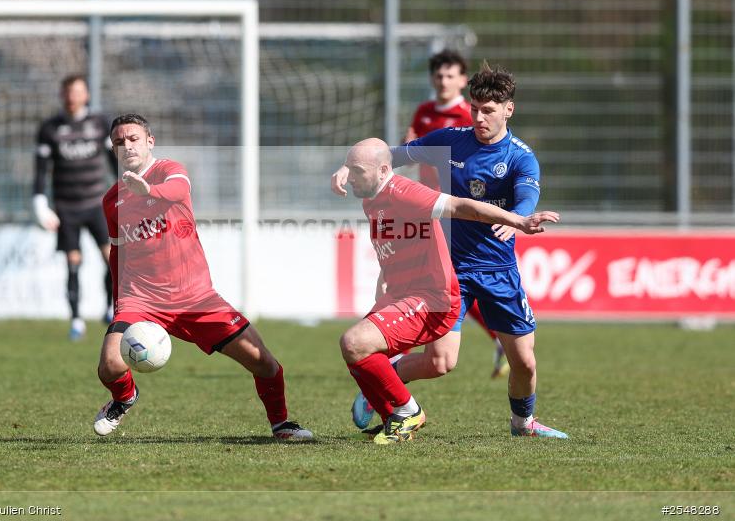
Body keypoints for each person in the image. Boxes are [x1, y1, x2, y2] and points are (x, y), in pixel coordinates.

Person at [332, 62, 569, 439]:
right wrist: (350, 166)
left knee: (524, 361)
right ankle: (378, 388)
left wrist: (518, 219)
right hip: (449, 272)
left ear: (508, 109)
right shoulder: (451, 140)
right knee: (441, 362)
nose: (478, 117)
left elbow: (527, 196)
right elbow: (395, 155)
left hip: (497, 270)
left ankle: (523, 424)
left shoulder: (521, 156)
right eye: (474, 108)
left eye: (488, 110)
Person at [92, 113, 313, 441]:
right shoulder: (112, 200)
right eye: (119, 142)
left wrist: (148, 188)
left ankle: (281, 425)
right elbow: (118, 254)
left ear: (149, 141)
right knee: (110, 365)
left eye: (134, 139)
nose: (127, 146)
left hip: (195, 297)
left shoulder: (169, 171)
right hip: (142, 300)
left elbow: (178, 189)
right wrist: (119, 304)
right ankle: (124, 397)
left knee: (265, 364)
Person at [406, 48, 509, 383]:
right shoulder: (423, 112)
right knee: (446, 283)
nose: (444, 81)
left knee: (445, 282)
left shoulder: (472, 119)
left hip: (456, 211)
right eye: (439, 75)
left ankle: (399, 348)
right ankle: (495, 338)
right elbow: (410, 146)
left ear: (463, 81)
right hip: (427, 205)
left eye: (451, 75)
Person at [33, 74, 116, 341]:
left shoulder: (100, 124)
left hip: (96, 204)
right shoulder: (50, 128)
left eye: (77, 92)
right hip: (66, 207)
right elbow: (40, 171)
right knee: (73, 261)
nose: (72, 97)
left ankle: (109, 308)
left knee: (112, 259)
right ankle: (77, 319)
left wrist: (126, 191)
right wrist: (39, 203)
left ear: (86, 95)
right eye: (68, 92)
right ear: (62, 95)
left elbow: (114, 163)